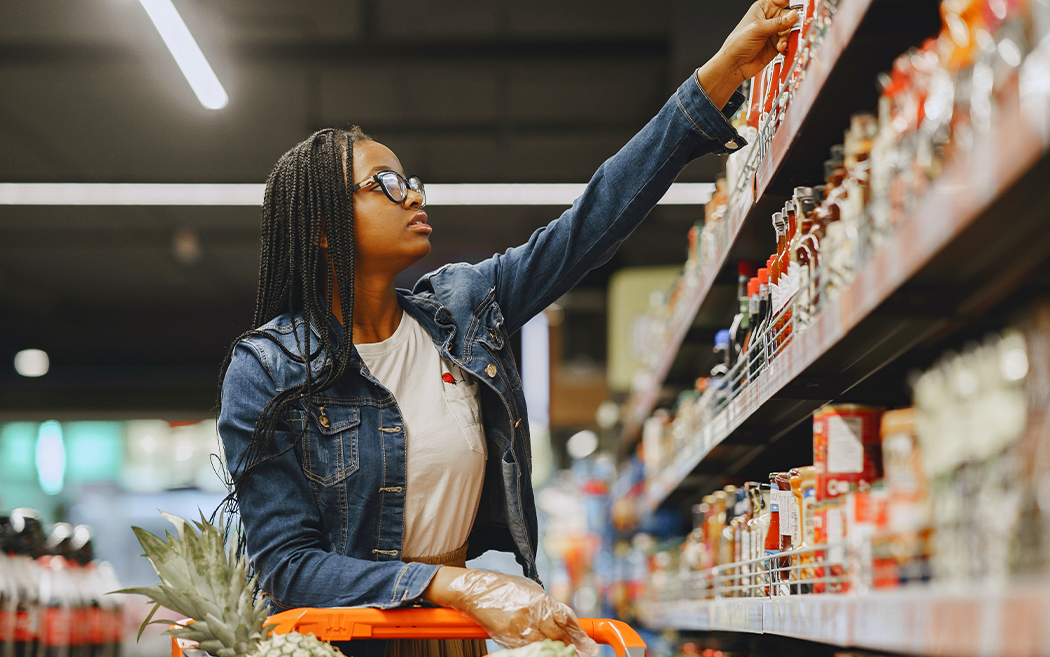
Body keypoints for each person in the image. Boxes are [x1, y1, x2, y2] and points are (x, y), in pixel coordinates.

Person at [217, 2, 798, 656]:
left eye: (410, 179)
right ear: (323, 228)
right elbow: (289, 567)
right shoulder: (266, 370)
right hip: (345, 643)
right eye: (384, 183)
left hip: (454, 639)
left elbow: (589, 224)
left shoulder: (460, 309)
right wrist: (458, 587)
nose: (413, 195)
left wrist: (718, 76)